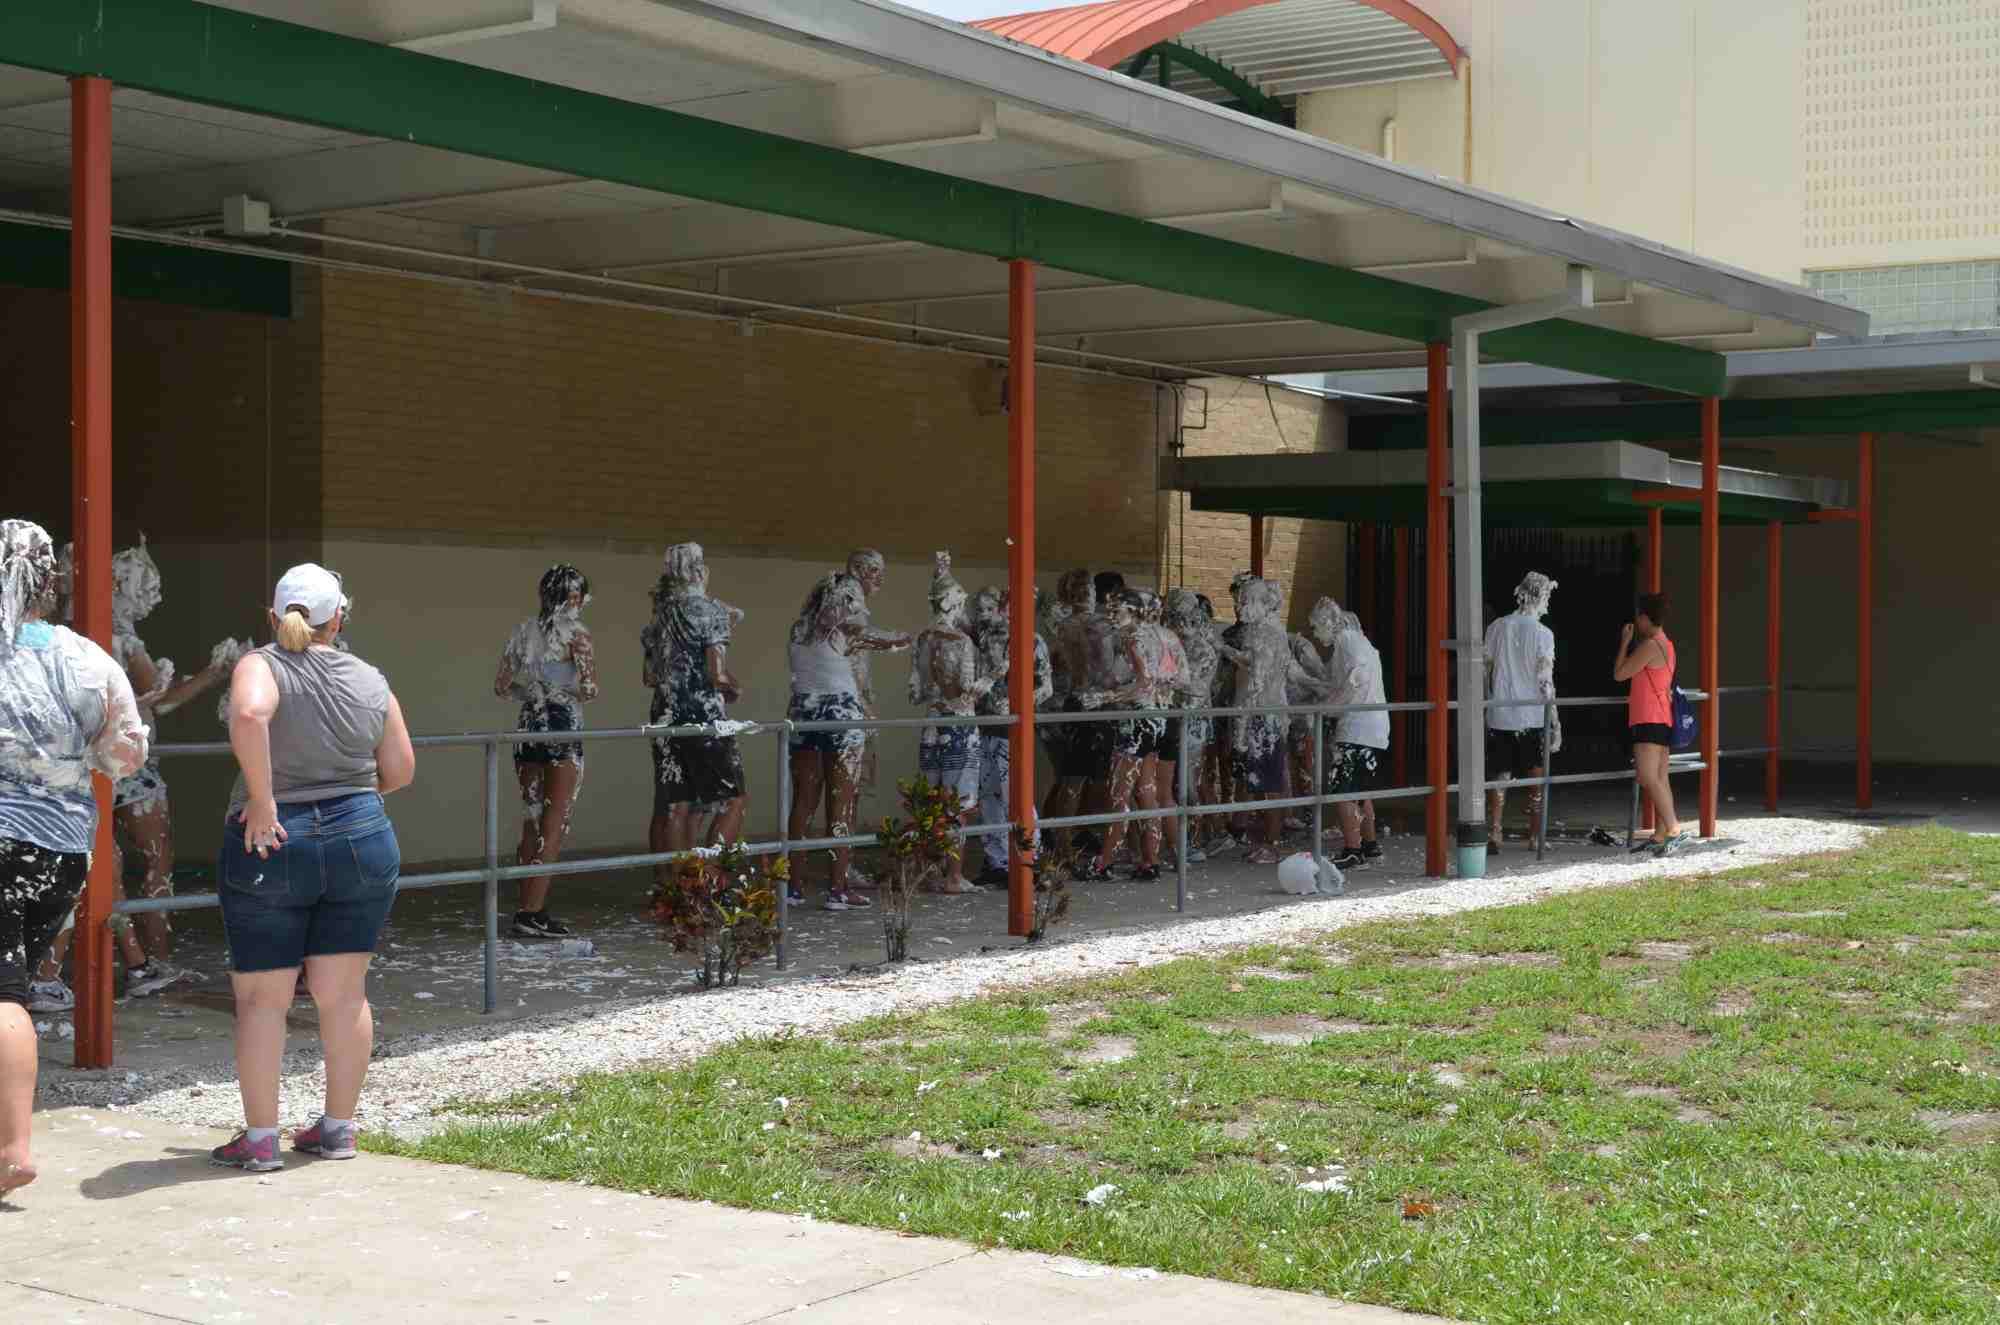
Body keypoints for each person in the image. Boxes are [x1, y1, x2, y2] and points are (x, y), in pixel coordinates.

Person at [211, 563, 413, 1171]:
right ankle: (337, 1131)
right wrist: (351, 803)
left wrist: (264, 800)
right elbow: (400, 770)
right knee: (344, 994)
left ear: (272, 617)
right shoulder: (370, 677)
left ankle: (261, 1140)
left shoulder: (262, 664)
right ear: (339, 619)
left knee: (262, 998)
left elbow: (250, 714)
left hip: (273, 842)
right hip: (362, 837)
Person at [0, 520, 148, 1197]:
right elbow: (126, 754)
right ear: (50, 582)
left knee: (4, 997)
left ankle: (13, 1149)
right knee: (15, 988)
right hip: (62, 849)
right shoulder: (85, 657)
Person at [787, 571, 906, 910]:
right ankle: (837, 890)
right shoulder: (847, 628)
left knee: (803, 803)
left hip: (803, 713)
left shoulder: (798, 628)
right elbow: (897, 640)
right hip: (841, 715)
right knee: (842, 805)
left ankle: (793, 887)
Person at [494, 565, 597, 938]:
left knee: (532, 817)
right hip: (562, 728)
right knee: (555, 822)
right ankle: (531, 912)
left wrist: (534, 691)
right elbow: (589, 689)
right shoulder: (577, 635)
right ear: (573, 598)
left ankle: (527, 908)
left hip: (529, 727)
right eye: (580, 596)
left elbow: (502, 686)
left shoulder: (523, 631)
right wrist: (563, 691)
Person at [642, 543, 747, 867]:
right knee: (733, 801)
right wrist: (735, 687)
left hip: (665, 715)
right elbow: (717, 674)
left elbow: (649, 676)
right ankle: (708, 882)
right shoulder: (710, 611)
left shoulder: (660, 616)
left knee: (675, 805)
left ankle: (672, 888)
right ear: (699, 571)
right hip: (703, 716)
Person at [1218, 578, 1330, 866]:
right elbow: (1276, 667)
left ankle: (1271, 843)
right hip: (1269, 715)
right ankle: (1268, 841)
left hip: (1262, 717)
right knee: (1263, 780)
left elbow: (1256, 682)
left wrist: (1240, 731)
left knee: (1267, 781)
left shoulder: (1263, 634)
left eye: (1246, 601)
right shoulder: (1270, 632)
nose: (1239, 606)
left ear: (1263, 604)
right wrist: (1224, 649)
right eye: (1239, 600)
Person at [908, 553, 990, 894]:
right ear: (954, 603)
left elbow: (915, 692)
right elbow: (964, 690)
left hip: (932, 722)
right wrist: (988, 681)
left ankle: (929, 871)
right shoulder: (961, 642)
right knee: (957, 803)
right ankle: (954, 876)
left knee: (931, 799)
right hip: (958, 724)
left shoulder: (923, 638)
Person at [970, 586, 1051, 888]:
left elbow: (1046, 687)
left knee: (1016, 795)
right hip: (984, 725)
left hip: (1012, 729)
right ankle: (997, 861)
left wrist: (1019, 704)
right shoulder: (985, 637)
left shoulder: (1033, 641)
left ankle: (1030, 859)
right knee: (987, 796)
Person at [1484, 571, 1560, 853]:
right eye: (1547, 597)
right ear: (1539, 596)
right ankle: (1535, 837)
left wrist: (1487, 703)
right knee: (1536, 778)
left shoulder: (1496, 627)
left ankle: (1495, 832)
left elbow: (1485, 670)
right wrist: (1555, 720)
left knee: (1499, 776)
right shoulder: (1543, 634)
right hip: (1531, 716)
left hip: (1500, 712)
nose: (1548, 604)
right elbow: (1545, 681)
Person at [1614, 591, 1688, 857]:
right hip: (1662, 717)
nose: (1637, 622)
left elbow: (1620, 674)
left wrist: (1624, 643)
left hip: (1648, 717)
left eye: (1639, 617)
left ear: (1645, 618)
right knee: (1660, 778)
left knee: (1646, 776)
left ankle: (1674, 828)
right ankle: (1659, 834)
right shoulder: (1667, 644)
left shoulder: (1649, 646)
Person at [1317, 605, 1391, 871]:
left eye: (1316, 626)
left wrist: (1328, 707)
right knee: (1361, 790)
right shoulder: (1363, 643)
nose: (1315, 633)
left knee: (1343, 791)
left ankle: (1352, 850)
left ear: (1330, 623)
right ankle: (1370, 845)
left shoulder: (1347, 641)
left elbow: (1352, 681)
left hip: (1356, 727)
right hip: (1374, 726)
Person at [1164, 588, 1219, 863]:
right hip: (1172, 719)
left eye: (1180, 615)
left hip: (1192, 722)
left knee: (1187, 783)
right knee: (1170, 783)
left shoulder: (1201, 649)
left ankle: (1190, 841)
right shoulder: (1170, 644)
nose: (1175, 621)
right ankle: (1175, 840)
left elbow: (1194, 689)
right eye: (1172, 615)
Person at [1038, 569, 1092, 836]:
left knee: (1070, 777)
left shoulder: (1064, 627)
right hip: (1063, 711)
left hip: (1061, 709)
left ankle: (1063, 833)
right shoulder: (1069, 628)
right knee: (1069, 777)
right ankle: (1056, 836)